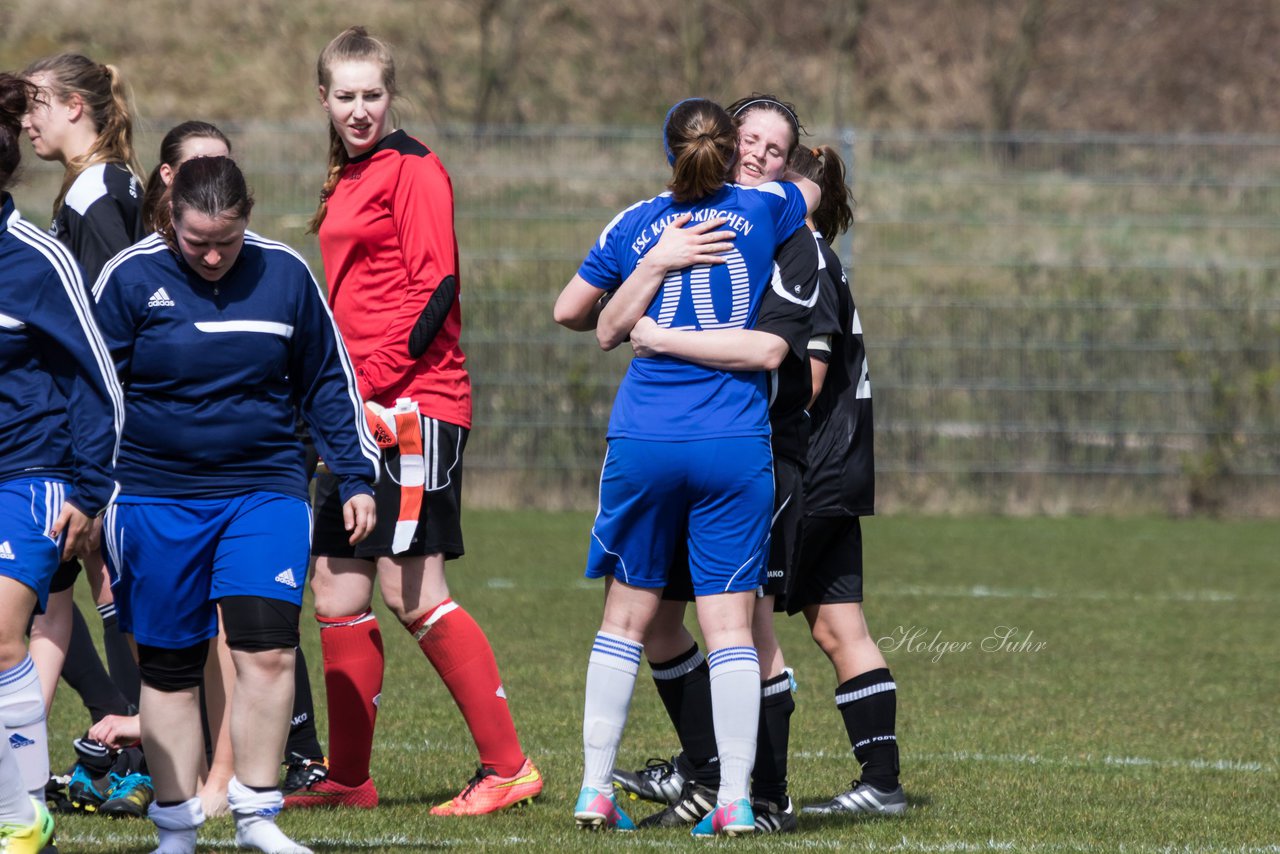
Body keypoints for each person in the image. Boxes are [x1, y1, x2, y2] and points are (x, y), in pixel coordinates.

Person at [285, 26, 541, 816]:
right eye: (345, 96)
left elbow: (436, 294)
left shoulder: (416, 169)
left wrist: (372, 389)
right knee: (334, 589)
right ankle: (349, 779)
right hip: (356, 411)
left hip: (410, 410)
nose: (360, 110)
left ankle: (508, 767)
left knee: (414, 590)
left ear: (390, 95)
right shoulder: (350, 173)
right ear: (322, 98)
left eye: (373, 95)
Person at [92, 155, 378, 854]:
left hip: (264, 490)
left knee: (268, 651)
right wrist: (86, 488)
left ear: (248, 218)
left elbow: (327, 383)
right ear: (171, 221)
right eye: (197, 242)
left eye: (228, 239)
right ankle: (176, 829)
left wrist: (357, 474)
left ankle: (257, 817)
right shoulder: (129, 279)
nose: (215, 255)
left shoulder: (284, 275)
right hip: (155, 496)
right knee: (167, 667)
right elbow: (90, 391)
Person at [554, 96, 815, 837]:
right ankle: (734, 800)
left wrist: (655, 267)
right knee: (731, 626)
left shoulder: (637, 222)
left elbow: (573, 314)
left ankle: (594, 791)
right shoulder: (767, 210)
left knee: (625, 620)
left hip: (646, 438)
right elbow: (815, 182)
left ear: (667, 151)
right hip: (733, 442)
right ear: (734, 146)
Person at [0, 70, 122, 854]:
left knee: (4, 635)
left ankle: (23, 815)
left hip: (33, 471)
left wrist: (89, 487)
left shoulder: (34, 258)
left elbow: (97, 378)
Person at [20, 52, 145, 788]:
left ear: (74, 106)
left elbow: (113, 325)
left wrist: (103, 449)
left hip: (100, 432)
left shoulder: (99, 193)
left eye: (36, 104)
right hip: (85, 428)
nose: (26, 121)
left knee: (92, 581)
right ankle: (95, 742)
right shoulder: (98, 183)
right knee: (58, 588)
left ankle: (136, 745)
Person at [786, 142, 906, 818]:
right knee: (838, 629)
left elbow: (810, 375)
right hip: (837, 467)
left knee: (736, 621)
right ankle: (882, 785)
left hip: (812, 469)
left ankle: (719, 778)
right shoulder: (814, 255)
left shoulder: (806, 260)